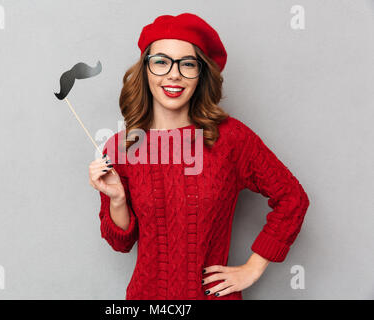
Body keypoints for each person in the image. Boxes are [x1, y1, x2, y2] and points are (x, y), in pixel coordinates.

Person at [88, 12, 310, 300]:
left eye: (188, 64)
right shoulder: (122, 147)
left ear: (201, 73)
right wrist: (117, 199)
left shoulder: (231, 138)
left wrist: (253, 267)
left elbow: (293, 198)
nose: (174, 74)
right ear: (145, 70)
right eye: (161, 62)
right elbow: (121, 244)